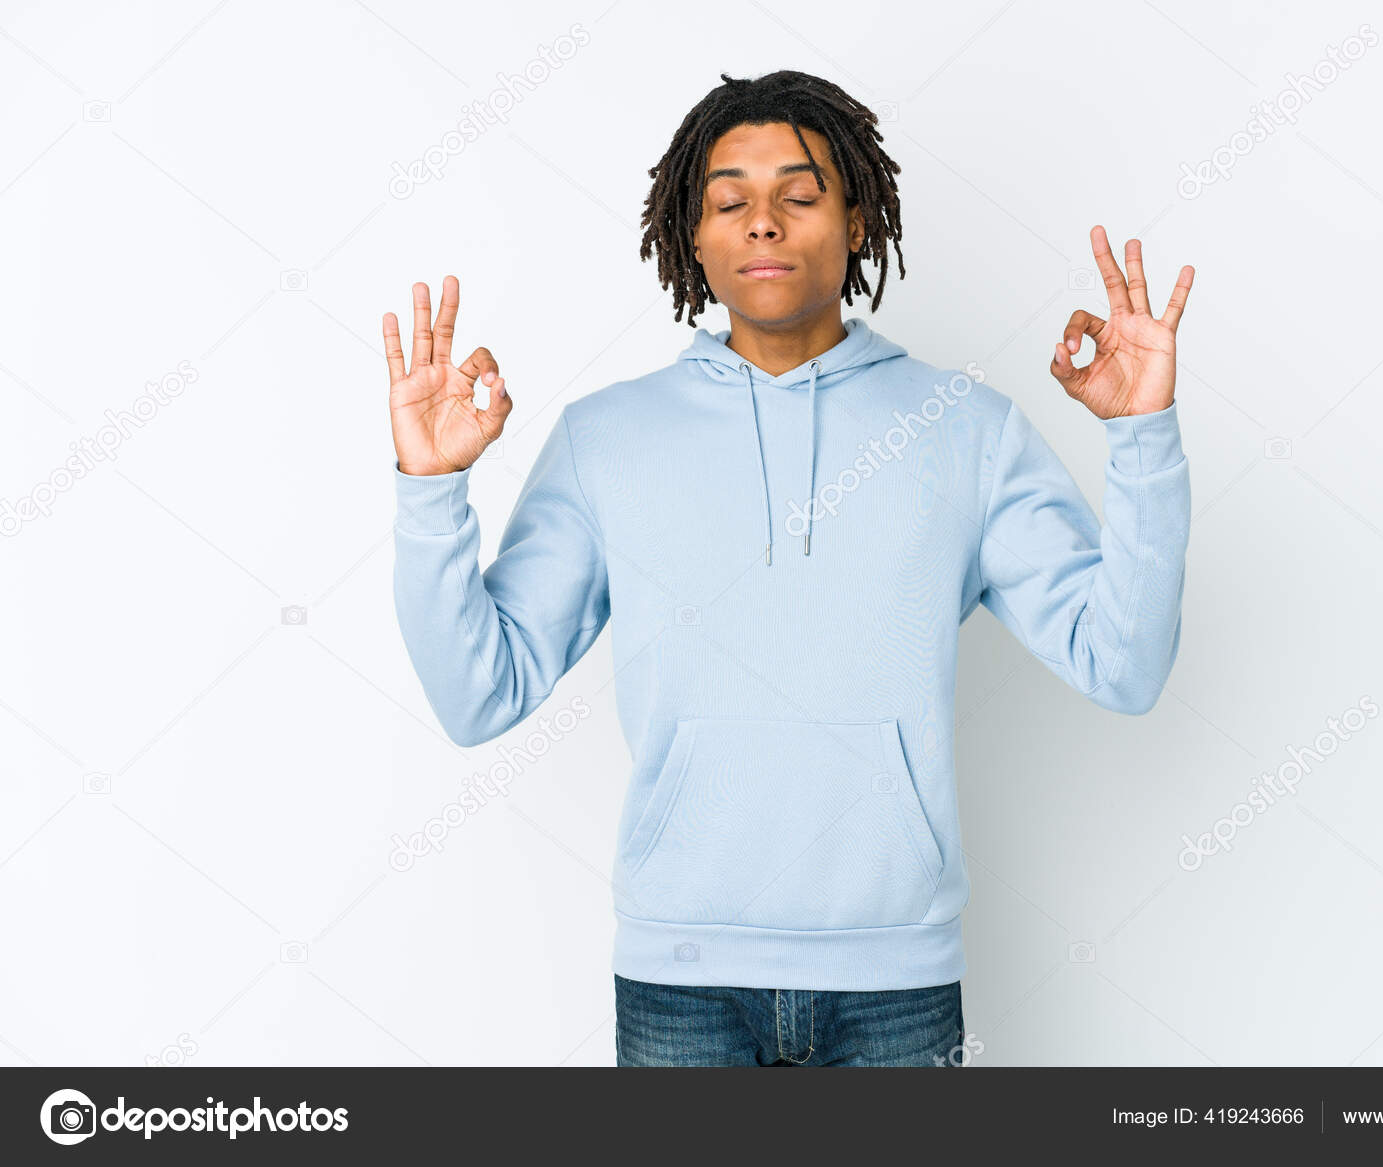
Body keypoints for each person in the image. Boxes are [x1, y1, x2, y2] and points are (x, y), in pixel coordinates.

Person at [384, 70, 1194, 1066]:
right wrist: (429, 492)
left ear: (857, 223)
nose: (762, 223)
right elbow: (477, 697)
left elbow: (1123, 665)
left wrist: (1144, 438)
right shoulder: (606, 439)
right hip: (679, 987)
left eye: (800, 196)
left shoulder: (967, 432)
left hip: (896, 985)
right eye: (729, 201)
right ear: (693, 236)